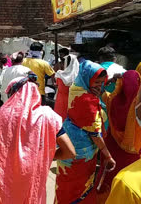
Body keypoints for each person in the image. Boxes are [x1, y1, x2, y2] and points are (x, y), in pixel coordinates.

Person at [0, 74, 76, 203]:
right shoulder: (47, 116)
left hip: (5, 179)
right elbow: (70, 151)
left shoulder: (2, 116)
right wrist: (43, 155)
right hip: (33, 176)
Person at [55, 60, 116, 204]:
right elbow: (95, 133)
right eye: (96, 81)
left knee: (65, 184)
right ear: (88, 78)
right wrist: (107, 155)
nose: (98, 85)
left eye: (101, 82)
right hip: (81, 151)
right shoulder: (87, 99)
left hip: (70, 142)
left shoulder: (77, 88)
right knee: (77, 186)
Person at [96, 70, 141, 203]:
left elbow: (103, 94)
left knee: (107, 176)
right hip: (131, 155)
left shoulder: (113, 100)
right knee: (126, 182)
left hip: (110, 148)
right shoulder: (137, 110)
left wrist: (109, 82)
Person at [54, 54, 80, 121]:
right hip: (73, 103)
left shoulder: (59, 74)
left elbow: (56, 85)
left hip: (60, 102)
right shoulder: (79, 77)